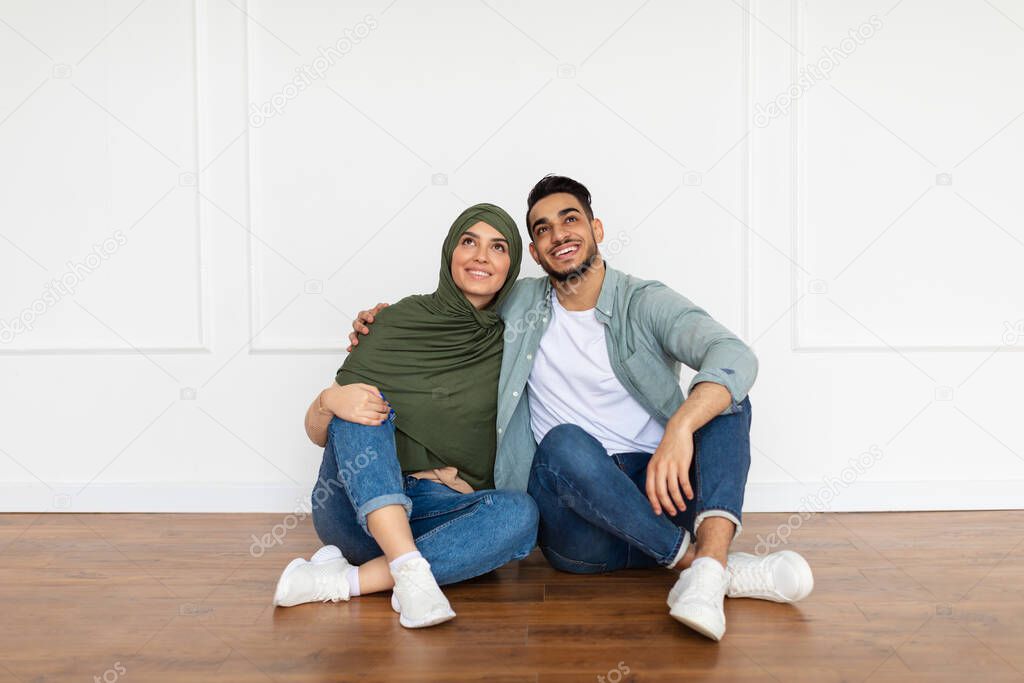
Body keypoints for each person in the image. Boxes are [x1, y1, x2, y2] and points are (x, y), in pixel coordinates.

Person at [349, 176, 814, 641]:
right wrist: (386, 322)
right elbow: (458, 306)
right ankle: (705, 565)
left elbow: (734, 357)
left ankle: (705, 571)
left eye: (570, 220)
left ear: (596, 228)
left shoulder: (644, 301)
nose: (559, 234)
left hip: (663, 493)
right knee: (564, 442)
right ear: (533, 252)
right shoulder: (518, 303)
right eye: (543, 228)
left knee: (727, 401)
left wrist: (680, 427)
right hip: (578, 528)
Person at [273, 203, 539, 629]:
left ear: (512, 265)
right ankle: (411, 575)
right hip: (352, 510)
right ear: (450, 250)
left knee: (520, 515)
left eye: (498, 247)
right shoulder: (395, 321)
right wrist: (329, 400)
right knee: (361, 404)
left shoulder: (513, 340)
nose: (481, 257)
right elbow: (319, 432)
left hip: (435, 514)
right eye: (469, 241)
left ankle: (345, 580)